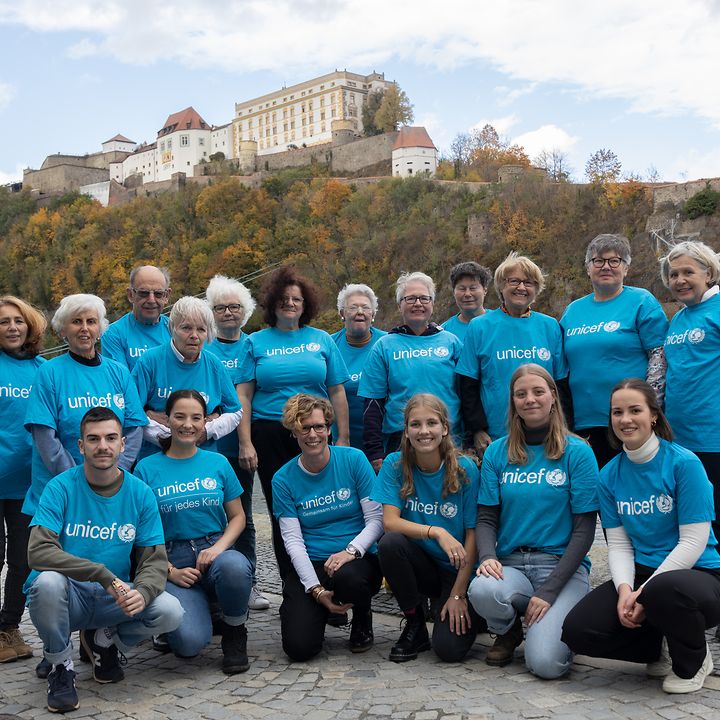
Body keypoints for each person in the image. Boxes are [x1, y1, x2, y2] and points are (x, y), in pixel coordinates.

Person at [562, 379, 720, 694]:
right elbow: (619, 544)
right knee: (578, 630)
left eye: (635, 410)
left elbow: (692, 541)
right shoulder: (608, 475)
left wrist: (643, 592)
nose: (625, 419)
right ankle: (653, 649)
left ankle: (693, 661)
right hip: (645, 574)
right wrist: (624, 592)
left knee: (664, 590)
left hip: (696, 574)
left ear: (654, 416)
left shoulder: (684, 464)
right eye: (617, 412)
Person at [25, 407, 183, 714]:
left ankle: (104, 640)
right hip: (71, 595)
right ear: (81, 446)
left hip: (114, 598)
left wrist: (144, 592)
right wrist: (101, 574)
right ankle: (60, 666)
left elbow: (153, 559)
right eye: (94, 439)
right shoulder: (60, 487)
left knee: (170, 612)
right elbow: (38, 551)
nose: (103, 446)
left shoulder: (140, 493)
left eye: (111, 438)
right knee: (46, 583)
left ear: (123, 444)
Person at [467, 364, 598, 679]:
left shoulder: (577, 452)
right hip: (512, 564)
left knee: (545, 665)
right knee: (483, 589)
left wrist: (550, 591)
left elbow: (584, 530)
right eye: (521, 394)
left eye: (538, 391)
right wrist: (487, 557)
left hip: (561, 567)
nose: (530, 399)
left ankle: (557, 627)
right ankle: (509, 630)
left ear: (553, 396)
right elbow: (486, 517)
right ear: (512, 402)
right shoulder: (498, 452)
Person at [236, 266, 349, 577]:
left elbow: (337, 391)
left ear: (305, 304)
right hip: (270, 433)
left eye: (296, 299)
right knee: (282, 511)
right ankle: (294, 583)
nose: (290, 303)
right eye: (283, 298)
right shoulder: (255, 342)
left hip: (316, 433)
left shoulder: (322, 340)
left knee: (324, 506)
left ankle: (330, 576)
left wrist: (343, 438)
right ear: (272, 303)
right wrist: (245, 441)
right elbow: (244, 395)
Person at [135, 390, 253, 674]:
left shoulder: (218, 463)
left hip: (214, 550)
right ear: (167, 420)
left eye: (196, 418)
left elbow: (237, 517)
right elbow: (138, 536)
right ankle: (206, 605)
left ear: (204, 423)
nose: (188, 424)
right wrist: (169, 571)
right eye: (180, 416)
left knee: (236, 568)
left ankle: (235, 631)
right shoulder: (145, 469)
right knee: (188, 645)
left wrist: (219, 548)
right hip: (172, 558)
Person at [372, 393, 483, 663]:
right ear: (406, 430)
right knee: (390, 544)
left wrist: (458, 593)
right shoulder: (394, 464)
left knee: (448, 650)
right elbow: (389, 522)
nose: (424, 431)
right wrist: (437, 531)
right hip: (423, 565)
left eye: (431, 423)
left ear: (445, 428)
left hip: (459, 570)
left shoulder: (465, 469)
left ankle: (473, 613)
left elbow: (473, 536)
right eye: (415, 424)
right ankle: (415, 623)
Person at [272, 394, 383, 661]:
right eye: (304, 428)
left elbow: (377, 521)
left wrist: (351, 551)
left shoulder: (354, 460)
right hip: (313, 563)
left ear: (329, 428)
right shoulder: (282, 479)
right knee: (299, 649)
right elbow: (293, 542)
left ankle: (361, 613)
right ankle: (320, 609)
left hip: (356, 560)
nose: (313, 434)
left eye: (319, 426)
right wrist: (315, 589)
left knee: (350, 578)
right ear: (293, 432)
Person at [23, 293, 147, 518]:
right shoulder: (49, 373)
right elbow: (44, 436)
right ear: (63, 330)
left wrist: (114, 472)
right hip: (62, 489)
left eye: (91, 321)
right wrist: (78, 479)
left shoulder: (118, 372)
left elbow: (134, 427)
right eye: (76, 321)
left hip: (111, 487)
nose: (84, 328)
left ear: (100, 329)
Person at [561, 234, 668, 468]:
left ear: (626, 268)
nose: (606, 266)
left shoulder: (641, 301)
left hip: (628, 421)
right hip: (582, 424)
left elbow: (658, 357)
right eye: (598, 261)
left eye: (614, 260)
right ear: (588, 268)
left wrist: (651, 409)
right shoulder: (572, 311)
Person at [456, 252, 569, 456]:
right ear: (501, 286)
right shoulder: (480, 327)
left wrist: (565, 428)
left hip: (547, 433)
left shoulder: (550, 326)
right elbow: (467, 385)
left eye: (529, 282)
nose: (521, 287)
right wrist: (477, 429)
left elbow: (560, 384)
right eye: (514, 281)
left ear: (537, 289)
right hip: (497, 435)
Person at [204, 274, 269, 612]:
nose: (228, 313)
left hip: (245, 447)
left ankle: (249, 583)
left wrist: (247, 443)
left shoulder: (254, 345)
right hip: (208, 449)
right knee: (210, 516)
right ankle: (213, 588)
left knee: (242, 516)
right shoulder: (203, 346)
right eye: (220, 307)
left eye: (234, 307)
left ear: (245, 311)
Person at [359, 272, 463, 472]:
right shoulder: (384, 346)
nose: (418, 303)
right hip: (401, 440)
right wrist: (375, 452)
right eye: (410, 298)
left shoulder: (451, 342)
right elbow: (373, 403)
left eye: (424, 298)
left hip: (450, 437)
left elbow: (467, 394)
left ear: (432, 304)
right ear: (399, 305)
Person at [131, 296, 242, 460]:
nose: (194, 336)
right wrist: (169, 437)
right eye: (186, 328)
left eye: (201, 330)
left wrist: (207, 430)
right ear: (172, 328)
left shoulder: (214, 364)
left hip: (205, 457)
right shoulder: (149, 361)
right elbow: (132, 412)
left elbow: (235, 411)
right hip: (157, 457)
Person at [660, 240, 720, 539]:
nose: (679, 280)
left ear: (708, 273)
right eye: (673, 275)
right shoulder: (678, 318)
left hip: (714, 438)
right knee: (693, 520)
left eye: (688, 272)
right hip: (680, 438)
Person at [0, 296, 46, 663]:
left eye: (18, 320)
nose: (13, 327)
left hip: (26, 485)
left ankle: (8, 627)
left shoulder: (44, 369)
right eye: (3, 322)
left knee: (23, 560)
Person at [331, 283, 386, 451]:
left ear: (373, 314)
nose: (360, 312)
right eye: (353, 307)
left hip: (385, 441)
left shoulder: (388, 343)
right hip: (343, 440)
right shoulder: (329, 345)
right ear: (342, 314)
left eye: (365, 307)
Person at [101, 265, 171, 370]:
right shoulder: (113, 334)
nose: (151, 300)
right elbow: (122, 381)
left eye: (158, 294)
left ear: (166, 296)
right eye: (143, 293)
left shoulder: (176, 330)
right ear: (130, 295)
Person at [442, 261, 492, 343]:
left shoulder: (500, 324)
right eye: (462, 289)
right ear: (453, 292)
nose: (467, 294)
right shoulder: (444, 332)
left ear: (485, 290)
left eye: (473, 288)